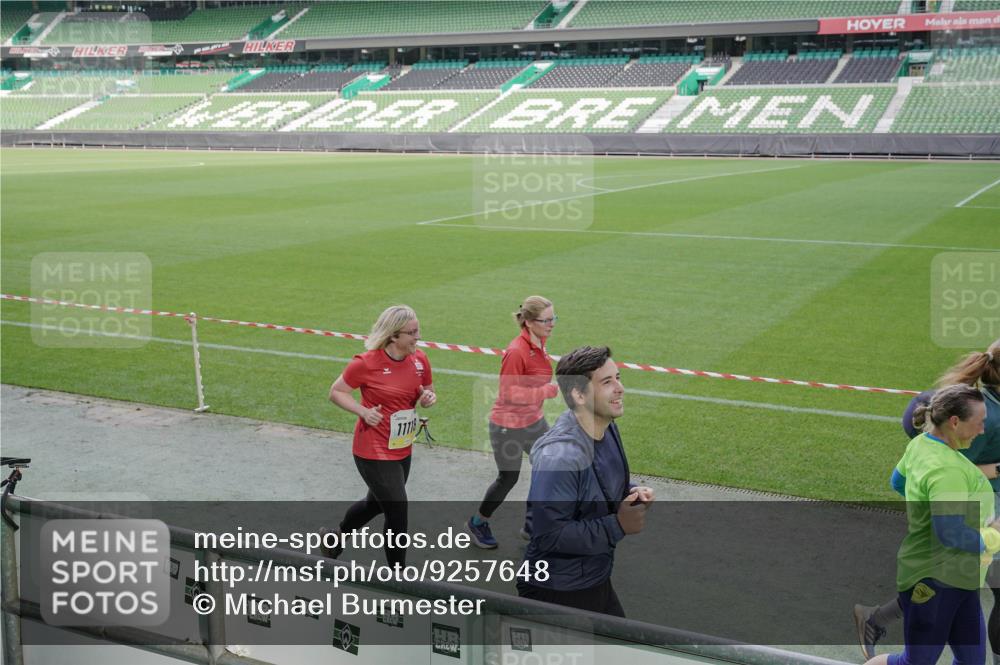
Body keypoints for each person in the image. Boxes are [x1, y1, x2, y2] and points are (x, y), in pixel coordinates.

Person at [855, 341, 1000, 660]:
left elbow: (898, 482)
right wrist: (992, 534)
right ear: (954, 423)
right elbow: (951, 533)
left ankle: (876, 617)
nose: (981, 429)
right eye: (979, 423)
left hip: (956, 575)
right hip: (936, 574)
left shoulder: (924, 446)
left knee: (971, 659)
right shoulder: (948, 469)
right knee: (917, 661)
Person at [516, 346, 654, 617]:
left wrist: (631, 491)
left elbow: (596, 482)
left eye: (619, 377)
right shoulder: (561, 457)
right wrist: (617, 524)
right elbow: (548, 536)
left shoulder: (606, 424)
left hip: (593, 576)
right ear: (579, 394)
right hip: (558, 591)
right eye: (607, 382)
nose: (620, 388)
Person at [323, 305, 435, 567]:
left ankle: (335, 538)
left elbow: (426, 392)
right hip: (371, 448)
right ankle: (398, 578)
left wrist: (427, 398)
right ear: (394, 335)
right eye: (412, 332)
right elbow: (336, 392)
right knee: (397, 509)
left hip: (401, 446)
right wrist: (362, 411)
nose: (418, 337)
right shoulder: (366, 363)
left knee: (375, 504)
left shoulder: (420, 360)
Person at [467, 296, 560, 549]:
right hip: (507, 425)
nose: (552, 324)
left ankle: (533, 524)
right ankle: (478, 522)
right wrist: (546, 392)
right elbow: (509, 393)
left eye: (554, 318)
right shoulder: (517, 351)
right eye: (547, 320)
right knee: (508, 478)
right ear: (529, 322)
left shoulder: (539, 343)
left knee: (552, 467)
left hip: (534, 422)